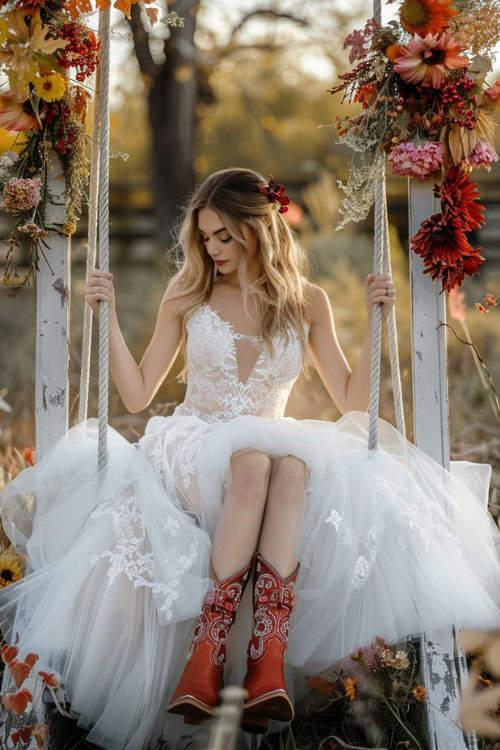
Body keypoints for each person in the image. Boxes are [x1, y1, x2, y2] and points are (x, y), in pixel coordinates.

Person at [0, 167, 499, 750]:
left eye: (225, 237)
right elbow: (136, 395)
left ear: (258, 230)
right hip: (193, 443)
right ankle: (207, 651)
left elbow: (349, 399)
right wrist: (105, 315)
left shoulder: (307, 302)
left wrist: (375, 322)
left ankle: (267, 660)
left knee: (287, 467)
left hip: (271, 444)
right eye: (206, 237)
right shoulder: (188, 293)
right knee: (257, 463)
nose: (213, 251)